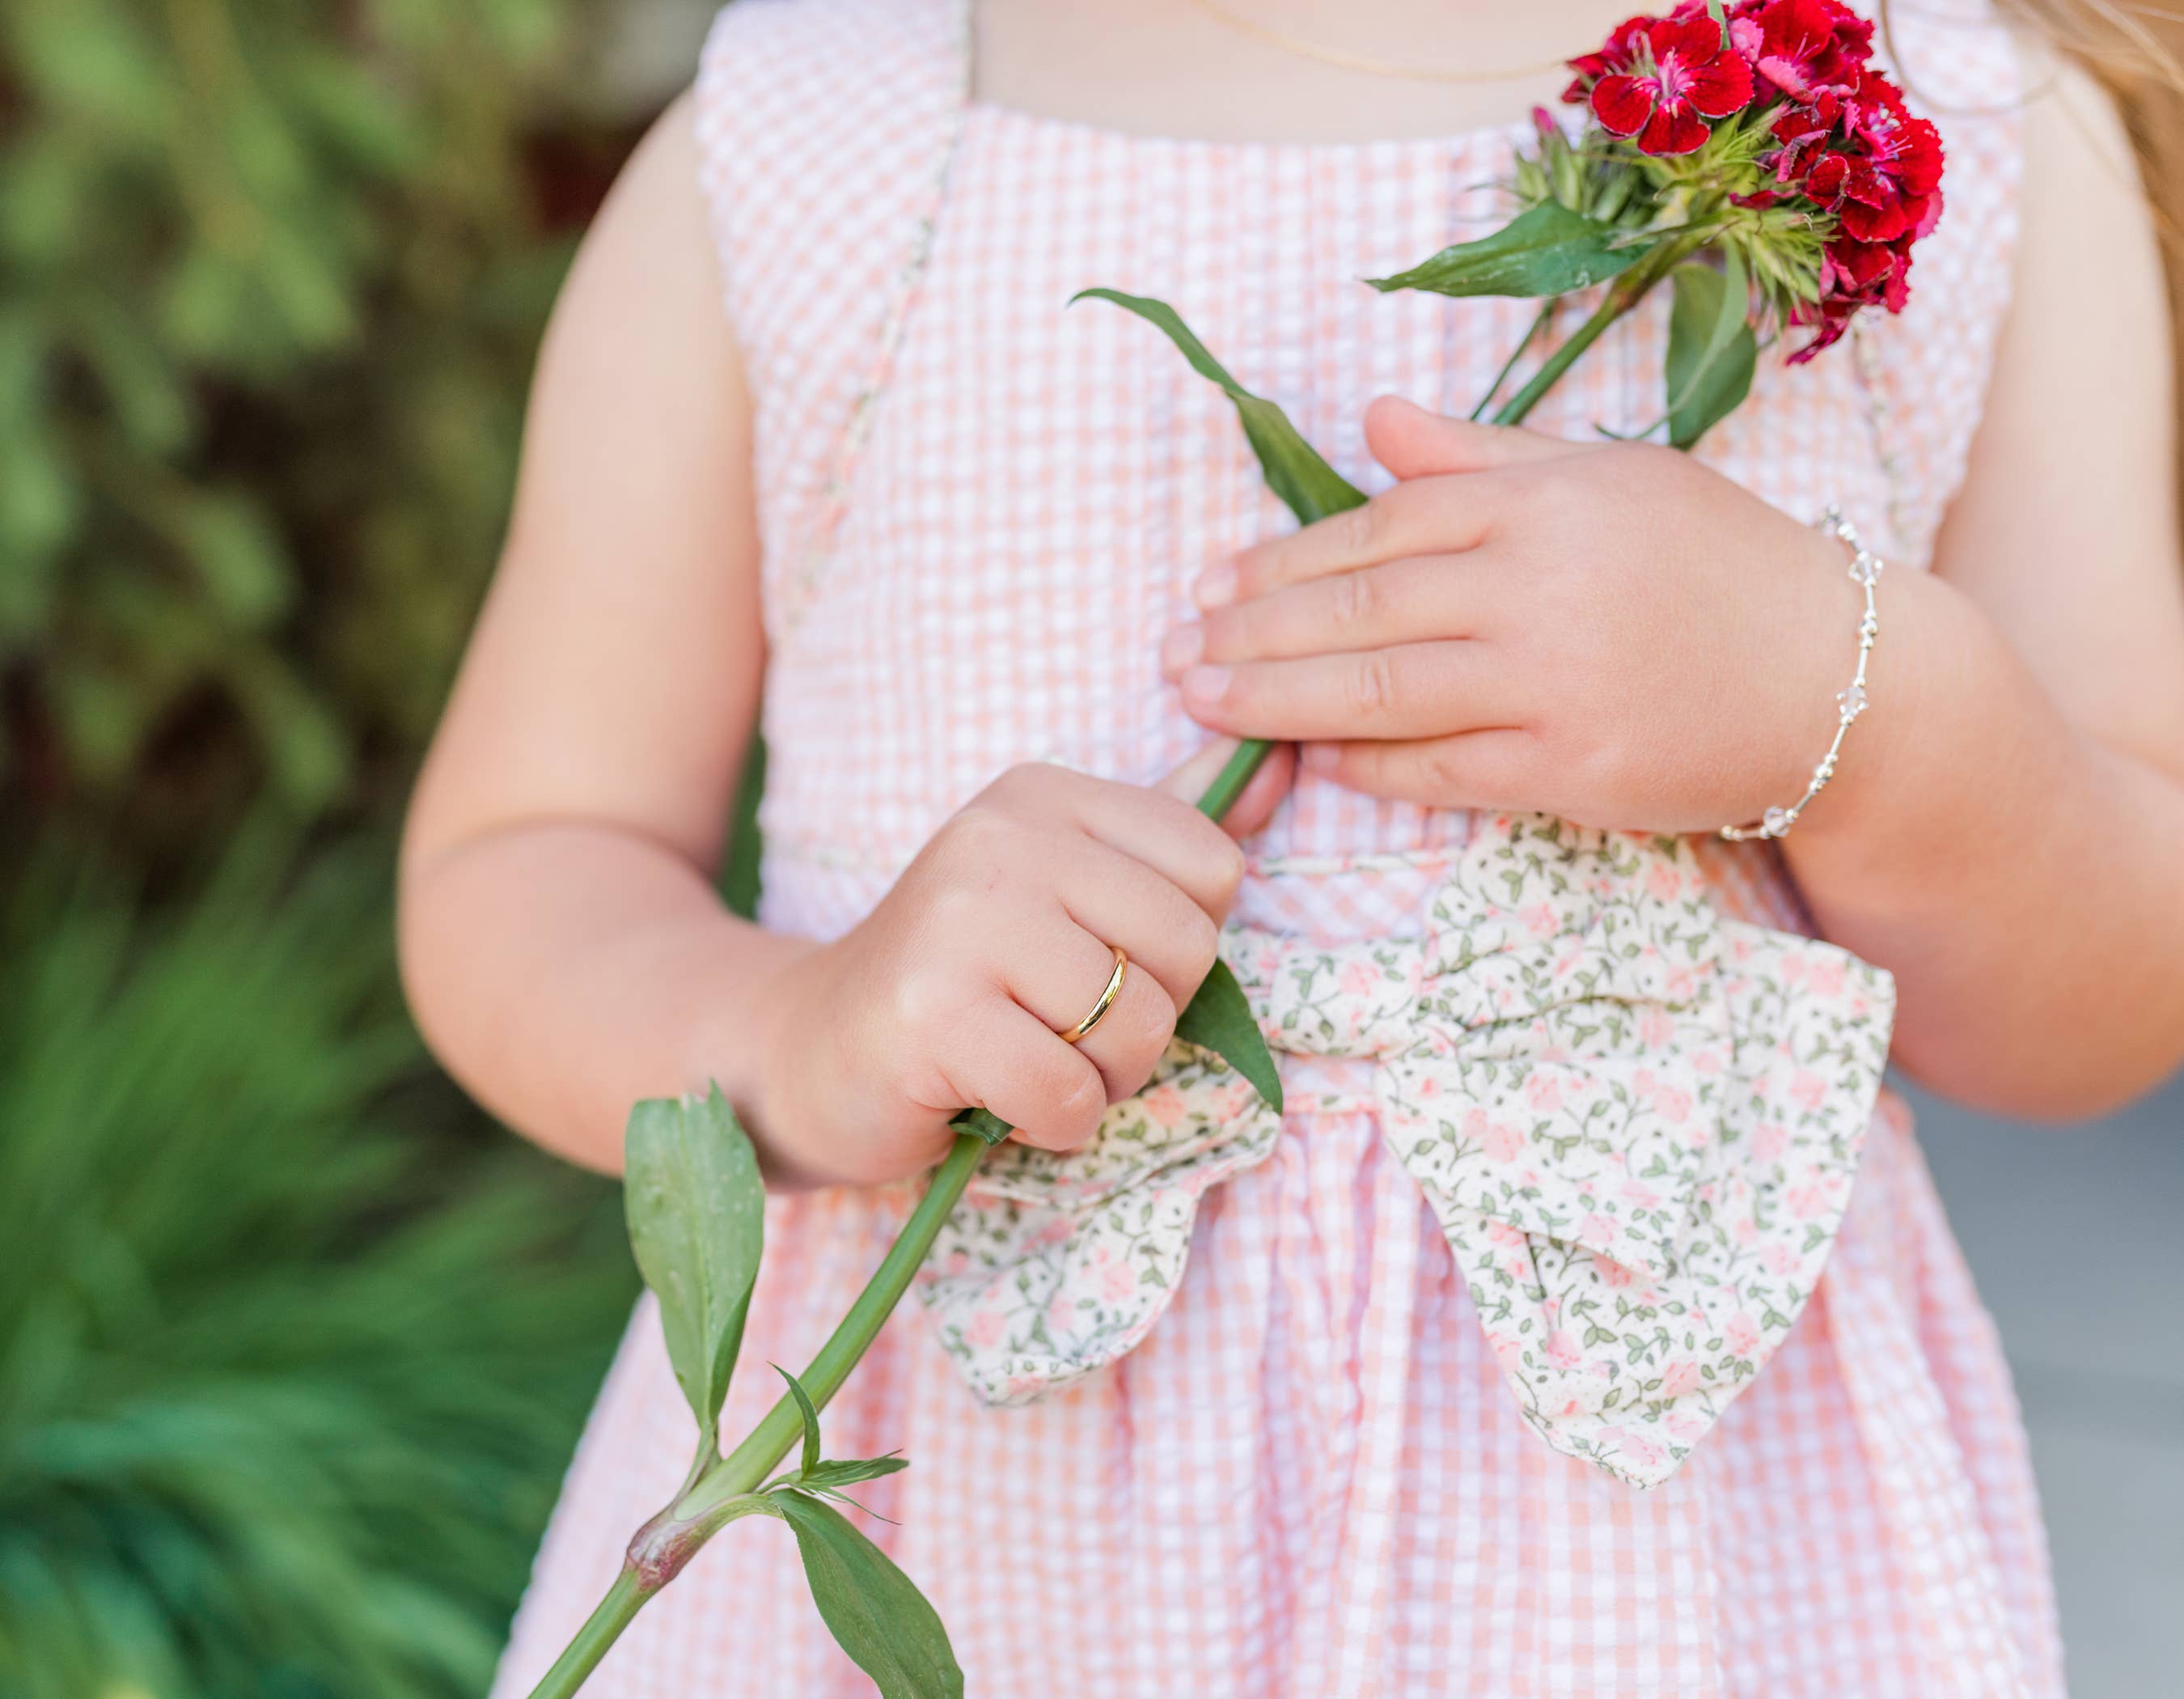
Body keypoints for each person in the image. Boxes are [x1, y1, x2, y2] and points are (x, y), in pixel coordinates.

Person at [399, 2, 2184, 1693]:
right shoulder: (817, 151)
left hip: (1653, 1577)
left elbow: (2106, 994)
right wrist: (806, 1033)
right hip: (979, 1544)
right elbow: (528, 859)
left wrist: (1848, 704)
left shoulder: (1932, 126)